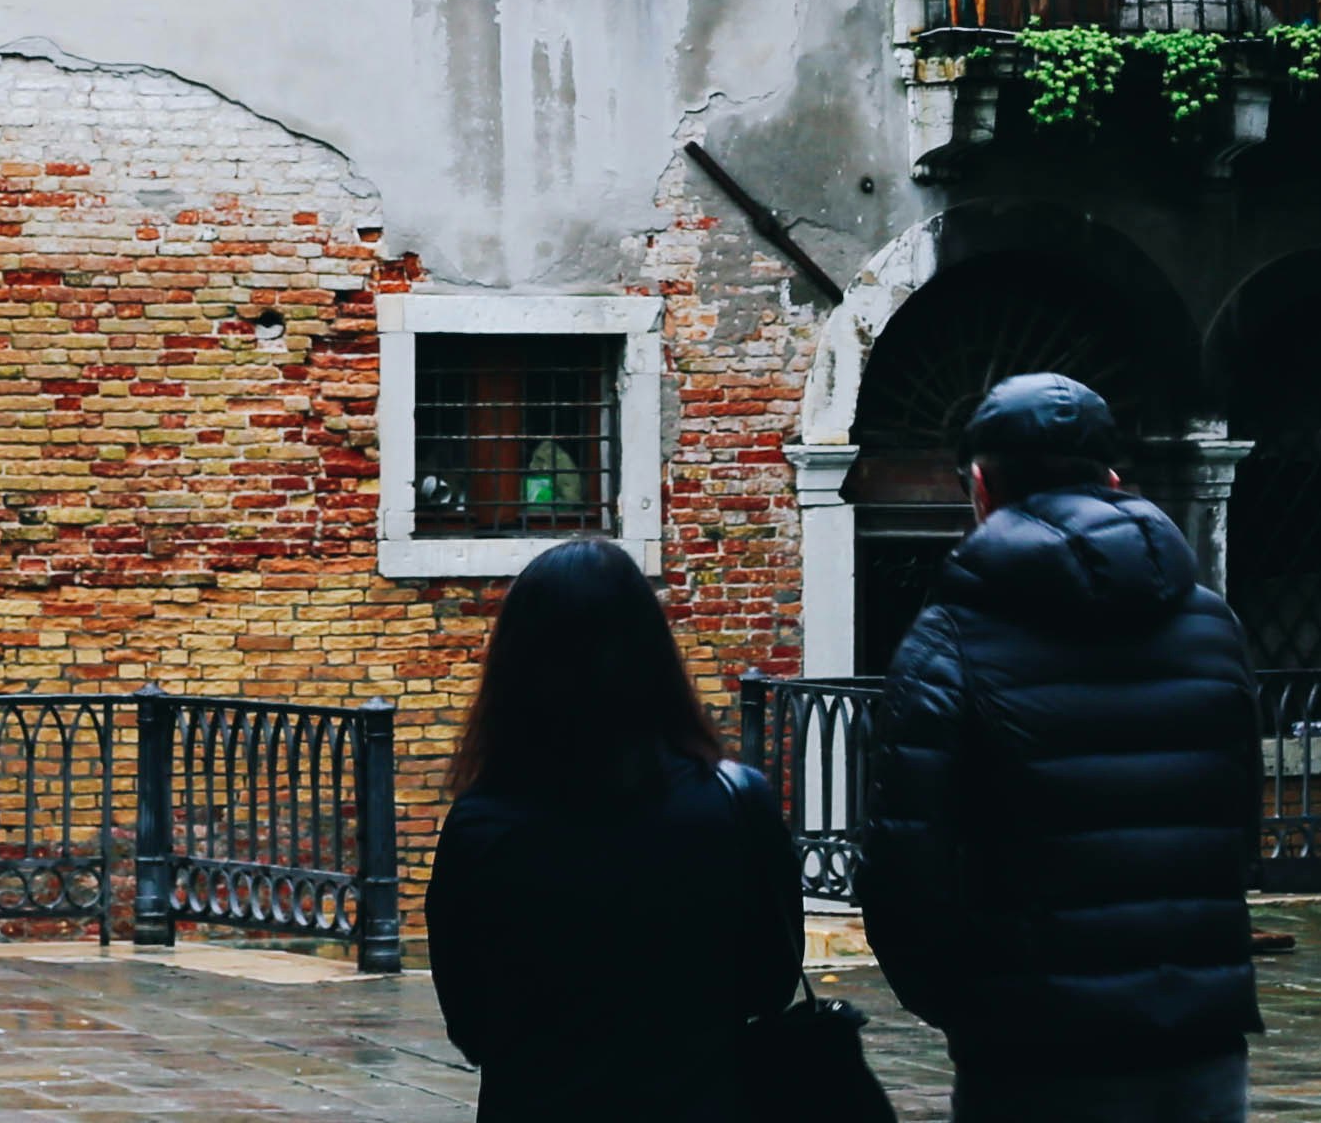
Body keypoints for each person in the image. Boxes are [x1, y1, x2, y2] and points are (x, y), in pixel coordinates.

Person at [859, 374, 1262, 1123]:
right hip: (1198, 1045)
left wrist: (969, 1010)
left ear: (980, 488)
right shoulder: (1212, 625)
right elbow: (1240, 829)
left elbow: (902, 874)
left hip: (1035, 1053)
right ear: (1112, 481)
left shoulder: (948, 641)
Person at [426, 533, 803, 1122]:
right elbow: (771, 982)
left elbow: (473, 1026)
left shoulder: (483, 829)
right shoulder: (736, 802)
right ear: (653, 654)